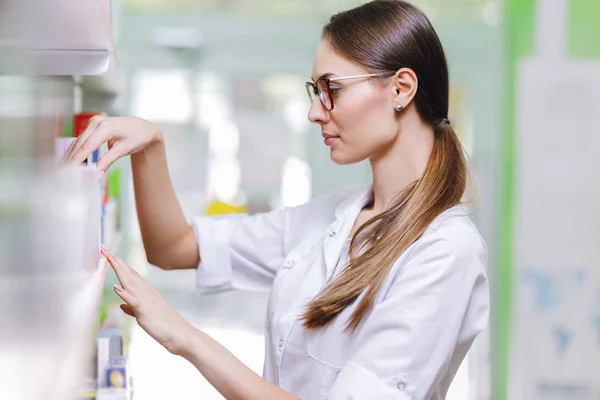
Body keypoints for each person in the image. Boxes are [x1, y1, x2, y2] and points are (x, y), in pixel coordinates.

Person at [66, 1, 489, 398]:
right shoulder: (332, 219)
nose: (315, 112)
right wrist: (150, 146)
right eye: (314, 90)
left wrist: (186, 337)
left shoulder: (446, 251)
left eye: (332, 89)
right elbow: (172, 247)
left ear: (401, 88)